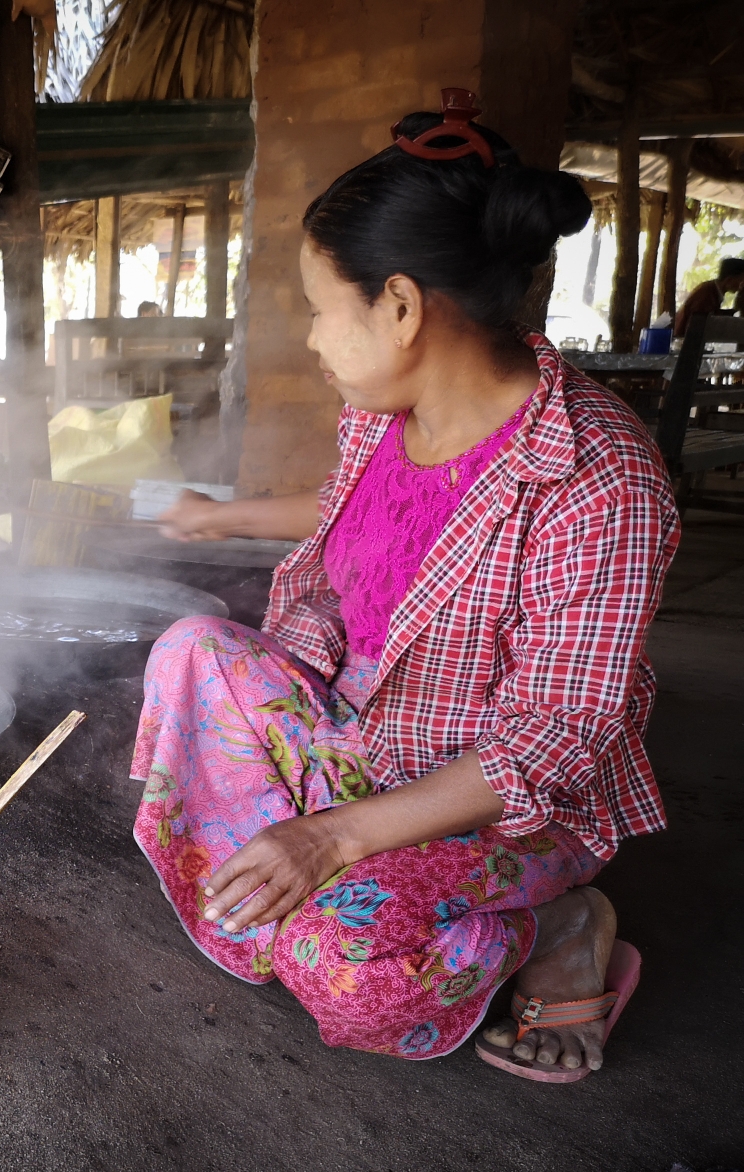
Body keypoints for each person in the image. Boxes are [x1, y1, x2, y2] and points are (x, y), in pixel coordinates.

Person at [134, 93, 679, 1081]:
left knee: (339, 966)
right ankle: (328, 865)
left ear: (400, 305)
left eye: (318, 310)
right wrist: (217, 515)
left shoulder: (600, 479)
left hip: (500, 803)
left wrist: (330, 838)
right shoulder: (384, 417)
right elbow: (353, 510)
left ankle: (556, 923)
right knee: (191, 650)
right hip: (363, 739)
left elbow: (553, 732)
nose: (309, 340)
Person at [673, 256, 744, 336]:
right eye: (741, 280)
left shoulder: (712, 290)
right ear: (729, 279)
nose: (741, 285)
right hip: (682, 341)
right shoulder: (706, 294)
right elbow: (698, 324)